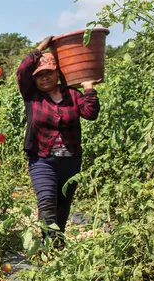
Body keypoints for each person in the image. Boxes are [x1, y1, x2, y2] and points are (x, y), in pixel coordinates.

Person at [17, 37, 101, 247]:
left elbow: (90, 113)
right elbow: (21, 72)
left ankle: (58, 246)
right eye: (40, 75)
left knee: (62, 207)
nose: (44, 78)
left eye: (49, 73)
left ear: (57, 74)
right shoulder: (32, 96)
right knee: (46, 202)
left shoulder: (72, 95)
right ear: (34, 79)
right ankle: (49, 246)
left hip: (70, 161)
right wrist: (40, 49)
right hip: (42, 159)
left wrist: (89, 88)